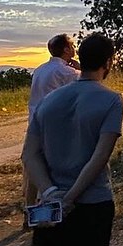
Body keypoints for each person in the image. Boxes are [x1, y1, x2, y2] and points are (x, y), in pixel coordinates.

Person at [19, 33, 123, 246]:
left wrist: (52, 193)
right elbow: (99, 157)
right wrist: (71, 197)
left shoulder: (48, 101)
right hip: (93, 204)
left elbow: (29, 154)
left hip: (49, 206)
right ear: (108, 61)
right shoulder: (112, 100)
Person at [24, 34, 82, 216]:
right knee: (50, 171)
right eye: (71, 45)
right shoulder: (67, 72)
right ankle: (47, 215)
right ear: (66, 49)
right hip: (54, 127)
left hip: (34, 123)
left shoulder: (40, 70)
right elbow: (88, 82)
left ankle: (28, 210)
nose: (74, 48)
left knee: (33, 168)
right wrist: (80, 68)